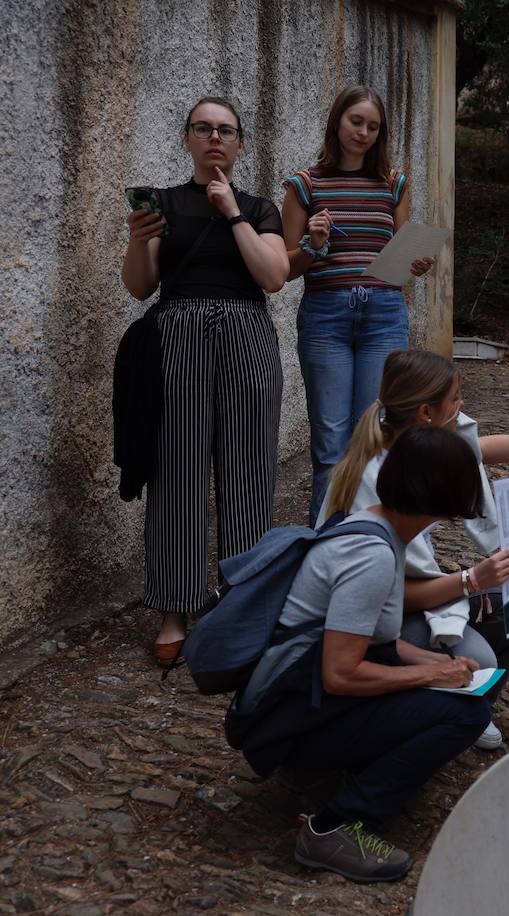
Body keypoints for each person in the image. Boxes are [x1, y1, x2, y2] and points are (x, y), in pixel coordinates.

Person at [228, 426, 509, 882]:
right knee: (465, 716)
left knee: (456, 689)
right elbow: (340, 673)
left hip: (305, 703)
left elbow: (370, 640)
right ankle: (332, 826)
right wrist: (427, 679)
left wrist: (433, 663)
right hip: (293, 724)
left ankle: (356, 771)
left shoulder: (379, 527)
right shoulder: (372, 557)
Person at [320, 349, 509, 749]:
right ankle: (447, 711)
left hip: (401, 598)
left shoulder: (416, 442)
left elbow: (478, 450)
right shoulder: (376, 479)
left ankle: (467, 701)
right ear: (426, 412)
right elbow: (390, 599)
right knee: (484, 655)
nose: (462, 407)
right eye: (456, 399)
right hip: (368, 623)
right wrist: (472, 580)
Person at [120, 96, 290, 667]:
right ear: (188, 138)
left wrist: (232, 214)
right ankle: (175, 607)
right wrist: (137, 238)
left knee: (249, 470)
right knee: (177, 470)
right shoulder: (163, 204)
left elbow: (272, 277)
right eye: (203, 128)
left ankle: (241, 603)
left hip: (247, 338)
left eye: (226, 130)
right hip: (179, 338)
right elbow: (140, 287)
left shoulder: (260, 207)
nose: (215, 138)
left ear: (240, 144)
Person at [282, 86, 435, 522]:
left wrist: (415, 263)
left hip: (384, 315)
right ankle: (323, 547)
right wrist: (313, 245)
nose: (363, 132)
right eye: (356, 122)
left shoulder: (394, 184)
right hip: (325, 315)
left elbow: (401, 258)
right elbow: (285, 269)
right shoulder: (304, 185)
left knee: (374, 437)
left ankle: (369, 544)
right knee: (330, 444)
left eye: (373, 126)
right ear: (337, 122)